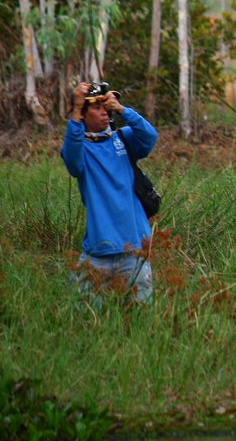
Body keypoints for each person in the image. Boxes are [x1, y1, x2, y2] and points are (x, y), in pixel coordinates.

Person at [61, 81, 158, 305]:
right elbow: (72, 162)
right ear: (83, 115)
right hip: (97, 253)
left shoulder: (123, 138)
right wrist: (75, 110)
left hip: (134, 250)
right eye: (96, 107)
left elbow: (150, 136)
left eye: (106, 107)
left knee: (140, 317)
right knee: (86, 319)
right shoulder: (80, 148)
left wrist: (123, 110)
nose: (104, 112)